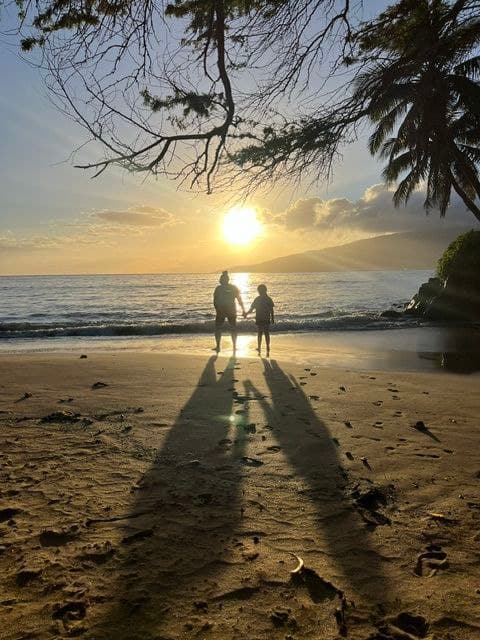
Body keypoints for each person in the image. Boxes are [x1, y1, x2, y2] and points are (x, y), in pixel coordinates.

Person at [213, 271, 246, 353]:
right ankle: (234, 346)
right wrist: (243, 310)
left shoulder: (219, 288)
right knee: (232, 328)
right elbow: (239, 299)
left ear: (223, 280)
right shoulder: (231, 287)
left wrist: (217, 308)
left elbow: (215, 301)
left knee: (218, 328)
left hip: (223, 310)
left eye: (221, 279)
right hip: (229, 310)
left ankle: (218, 346)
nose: (219, 280)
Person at [245, 284, 274, 356]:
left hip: (260, 318)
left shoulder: (257, 299)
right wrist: (272, 318)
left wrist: (246, 313)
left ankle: (259, 347)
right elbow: (271, 310)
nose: (259, 292)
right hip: (266, 318)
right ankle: (267, 346)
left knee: (260, 333)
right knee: (266, 333)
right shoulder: (268, 299)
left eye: (259, 291)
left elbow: (251, 309)